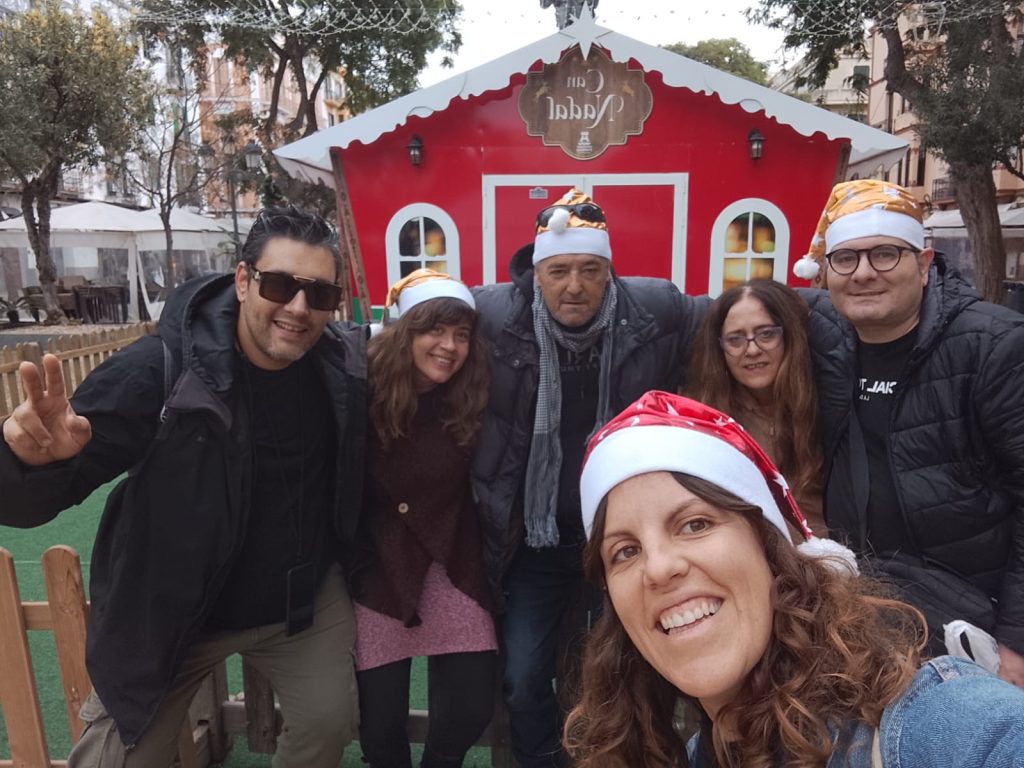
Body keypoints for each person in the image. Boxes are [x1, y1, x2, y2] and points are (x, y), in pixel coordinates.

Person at [0, 205, 366, 767]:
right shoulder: (161, 369)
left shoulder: (338, 367)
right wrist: (31, 466)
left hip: (299, 604)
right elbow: (38, 490)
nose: (298, 308)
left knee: (328, 722)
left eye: (318, 294)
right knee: (114, 760)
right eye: (279, 284)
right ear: (243, 281)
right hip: (172, 611)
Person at [566, 390, 1024, 767]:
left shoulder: (932, 727)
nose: (659, 568)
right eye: (624, 551)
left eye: (695, 524)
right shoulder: (689, 756)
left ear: (771, 550)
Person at [471, 188, 708, 767]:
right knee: (525, 677)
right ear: (538, 272)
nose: (573, 285)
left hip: (621, 538)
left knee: (640, 671)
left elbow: (747, 310)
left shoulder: (652, 312)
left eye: (588, 270)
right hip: (535, 541)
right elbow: (416, 328)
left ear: (609, 272)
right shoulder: (494, 317)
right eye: (558, 271)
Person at [791, 179, 1024, 686]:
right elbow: (737, 311)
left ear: (923, 264)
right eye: (846, 260)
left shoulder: (993, 347)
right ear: (825, 274)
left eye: (885, 255)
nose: (864, 274)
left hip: (972, 625)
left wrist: (1017, 641)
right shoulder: (825, 334)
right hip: (862, 609)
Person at [350, 269, 497, 768]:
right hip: (378, 570)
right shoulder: (360, 391)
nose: (449, 346)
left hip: (451, 560)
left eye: (461, 335)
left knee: (472, 703)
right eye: (435, 330)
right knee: (379, 723)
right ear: (405, 331)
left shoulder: (469, 396)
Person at [687, 279, 826, 536]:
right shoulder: (704, 422)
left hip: (831, 563)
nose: (752, 350)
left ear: (790, 336)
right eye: (736, 339)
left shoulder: (826, 405)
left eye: (766, 334)